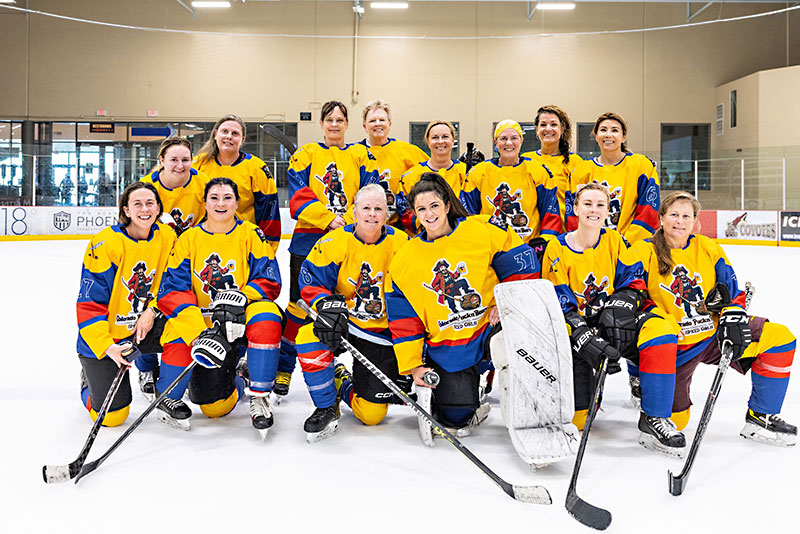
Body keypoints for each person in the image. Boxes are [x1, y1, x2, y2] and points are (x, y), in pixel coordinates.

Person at [631, 191, 796, 445]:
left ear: (695, 221)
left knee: (779, 338)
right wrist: (661, 319)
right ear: (661, 218)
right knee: (677, 421)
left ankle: (761, 415)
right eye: (674, 214)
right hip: (675, 347)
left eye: (686, 216)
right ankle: (650, 399)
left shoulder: (707, 247)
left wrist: (732, 313)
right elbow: (635, 296)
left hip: (714, 336)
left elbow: (731, 289)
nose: (680, 221)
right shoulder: (644, 250)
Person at [385, 172, 539, 435]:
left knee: (507, 348)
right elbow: (403, 320)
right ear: (415, 214)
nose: (429, 214)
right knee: (456, 420)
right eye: (421, 209)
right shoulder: (404, 260)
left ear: (447, 205)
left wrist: (504, 303)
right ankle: (470, 396)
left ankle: (525, 415)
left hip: (490, 325)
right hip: (451, 346)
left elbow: (521, 264)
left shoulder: (480, 230)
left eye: (434, 205)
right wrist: (414, 365)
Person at [541, 181, 685, 455]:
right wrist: (582, 334)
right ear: (575, 208)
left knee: (660, 330)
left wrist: (620, 308)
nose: (594, 210)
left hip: (615, 324)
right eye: (587, 204)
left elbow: (634, 281)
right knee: (579, 419)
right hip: (578, 334)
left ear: (608, 211)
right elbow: (556, 300)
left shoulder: (615, 240)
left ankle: (654, 417)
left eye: (600, 205)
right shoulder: (556, 248)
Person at [156, 178, 283, 436]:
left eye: (227, 198)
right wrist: (198, 334)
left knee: (268, 315)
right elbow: (173, 290)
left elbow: (269, 280)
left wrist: (241, 298)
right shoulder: (189, 238)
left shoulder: (250, 234)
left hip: (240, 318)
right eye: (214, 198)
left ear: (237, 203)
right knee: (215, 408)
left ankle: (259, 395)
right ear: (205, 202)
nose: (221, 203)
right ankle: (232, 377)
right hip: (202, 325)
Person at [294, 184, 410, 440]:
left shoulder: (403, 243)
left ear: (387, 213)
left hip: (381, 332)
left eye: (378, 208)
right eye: (366, 208)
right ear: (354, 212)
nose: (372, 214)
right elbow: (312, 281)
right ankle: (325, 406)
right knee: (308, 337)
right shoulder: (334, 241)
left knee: (371, 416)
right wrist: (326, 305)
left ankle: (342, 382)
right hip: (343, 322)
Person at [281, 100, 380, 399]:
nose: (334, 124)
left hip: (350, 241)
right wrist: (328, 219)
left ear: (347, 124)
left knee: (343, 304)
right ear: (321, 123)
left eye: (340, 119)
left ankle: (334, 365)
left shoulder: (361, 155)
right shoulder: (306, 154)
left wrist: (347, 221)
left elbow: (370, 192)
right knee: (298, 305)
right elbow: (298, 194)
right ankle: (284, 367)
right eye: (329, 119)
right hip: (307, 242)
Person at [76, 182, 175, 427]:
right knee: (113, 417)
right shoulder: (106, 243)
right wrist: (107, 347)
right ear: (126, 210)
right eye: (137, 204)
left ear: (158, 208)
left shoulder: (168, 237)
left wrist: (152, 310)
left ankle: (170, 391)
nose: (145, 209)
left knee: (185, 331)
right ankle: (89, 384)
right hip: (110, 337)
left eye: (150, 203)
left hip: (148, 326)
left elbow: (172, 283)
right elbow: (90, 302)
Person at [461, 119, 561, 261]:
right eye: (503, 138)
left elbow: (550, 211)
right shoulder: (478, 173)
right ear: (496, 142)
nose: (509, 143)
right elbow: (468, 214)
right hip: (491, 251)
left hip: (528, 250)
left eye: (514, 138)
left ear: (521, 141)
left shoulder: (538, 171)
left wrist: (545, 241)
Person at [567, 112, 660, 243]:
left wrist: (626, 242)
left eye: (615, 130)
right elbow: (573, 215)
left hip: (631, 246)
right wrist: (586, 244)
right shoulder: (581, 171)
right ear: (596, 136)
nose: (608, 134)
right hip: (591, 247)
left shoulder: (641, 165)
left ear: (624, 137)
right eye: (603, 130)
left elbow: (649, 211)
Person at [194, 114, 281, 253]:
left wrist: (267, 252)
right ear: (215, 134)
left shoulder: (257, 168)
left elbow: (269, 215)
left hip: (243, 245)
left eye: (235, 133)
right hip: (203, 244)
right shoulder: (198, 165)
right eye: (225, 131)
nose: (229, 136)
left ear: (242, 140)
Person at [359, 100, 428, 229]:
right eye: (372, 121)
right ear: (364, 126)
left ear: (389, 124)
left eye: (382, 120)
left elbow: (433, 171)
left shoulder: (408, 151)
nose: (378, 123)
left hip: (399, 226)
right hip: (363, 226)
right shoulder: (354, 152)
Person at [396, 120, 467, 234]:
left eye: (445, 137)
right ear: (428, 141)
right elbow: (405, 212)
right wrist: (431, 227)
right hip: (424, 239)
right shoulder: (411, 176)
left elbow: (473, 205)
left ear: (453, 140)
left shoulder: (466, 172)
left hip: (460, 236)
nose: (440, 141)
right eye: (435, 137)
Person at [522, 105, 583, 233]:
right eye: (543, 124)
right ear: (537, 129)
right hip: (532, 233)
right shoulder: (526, 160)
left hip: (565, 233)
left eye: (554, 124)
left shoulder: (575, 162)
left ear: (562, 129)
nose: (548, 128)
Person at [141, 137, 208, 236]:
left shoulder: (203, 183)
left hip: (194, 241)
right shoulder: (145, 187)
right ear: (162, 160)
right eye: (174, 160)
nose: (180, 166)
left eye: (185, 160)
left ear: (191, 159)